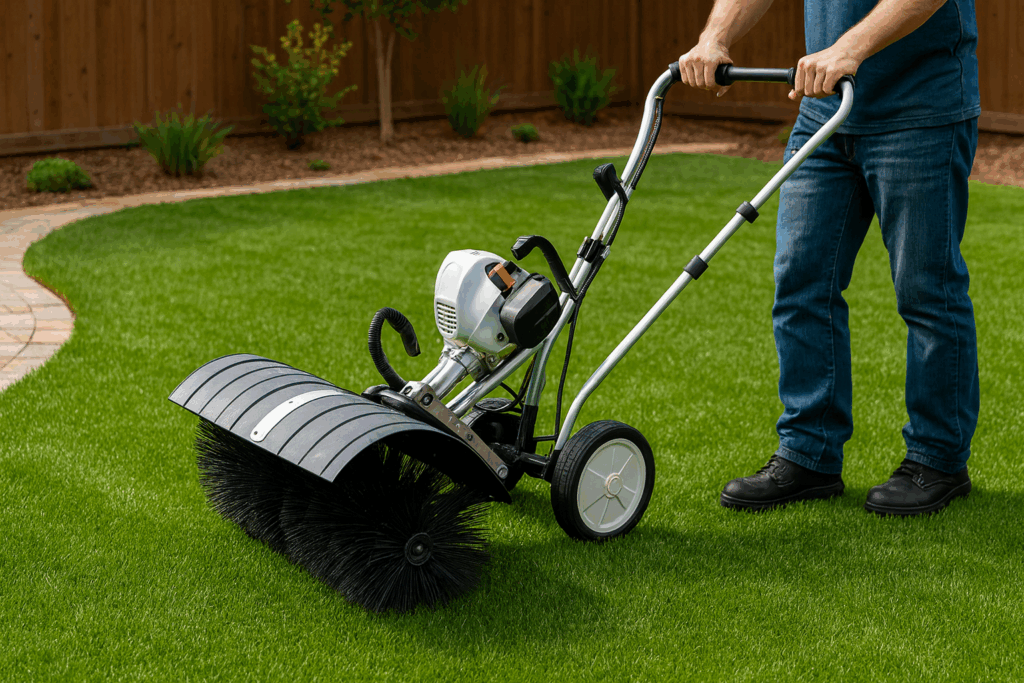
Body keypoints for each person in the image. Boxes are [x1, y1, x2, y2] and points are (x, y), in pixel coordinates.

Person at [678, 0, 980, 516]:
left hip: (920, 111)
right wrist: (715, 37)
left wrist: (848, 48)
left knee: (927, 291)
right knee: (801, 282)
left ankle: (938, 459)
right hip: (825, 113)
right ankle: (809, 454)